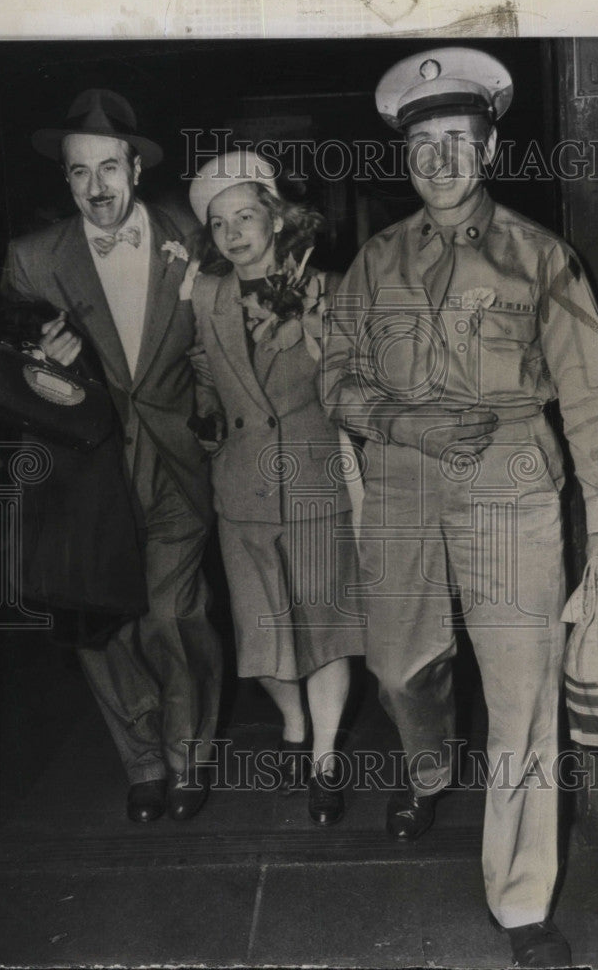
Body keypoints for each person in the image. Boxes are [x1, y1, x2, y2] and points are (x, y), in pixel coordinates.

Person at [323, 47, 598, 966]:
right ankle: (429, 760)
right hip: (401, 483)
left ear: (489, 147)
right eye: (424, 148)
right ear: (405, 158)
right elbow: (335, 372)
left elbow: (593, 391)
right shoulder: (373, 261)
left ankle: (523, 899)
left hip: (510, 486)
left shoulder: (543, 258)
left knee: (526, 695)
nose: (441, 163)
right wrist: (400, 421)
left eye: (457, 143)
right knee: (398, 667)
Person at [0, 88, 223, 824]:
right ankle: (143, 762)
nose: (96, 188)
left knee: (170, 614)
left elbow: (222, 334)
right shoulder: (33, 259)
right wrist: (43, 355)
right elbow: (9, 357)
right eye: (78, 173)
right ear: (64, 180)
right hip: (86, 470)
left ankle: (188, 758)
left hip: (174, 456)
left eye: (108, 168)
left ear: (134, 166)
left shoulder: (192, 234)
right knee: (101, 623)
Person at [185, 150, 364, 826]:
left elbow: (363, 390)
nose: (235, 234)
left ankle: (323, 759)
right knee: (262, 641)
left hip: (318, 480)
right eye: (221, 223)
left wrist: (325, 351)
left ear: (277, 218)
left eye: (247, 216)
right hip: (242, 489)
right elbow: (201, 390)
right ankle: (291, 720)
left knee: (325, 631)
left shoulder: (332, 288)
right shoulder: (204, 297)